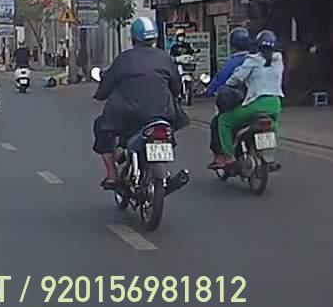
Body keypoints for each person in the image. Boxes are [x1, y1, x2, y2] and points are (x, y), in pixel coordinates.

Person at [93, 16, 183, 189]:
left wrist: (100, 94)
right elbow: (176, 87)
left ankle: (112, 175)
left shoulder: (124, 59)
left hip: (129, 116)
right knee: (169, 129)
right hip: (162, 114)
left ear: (133, 37)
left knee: (101, 127)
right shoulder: (165, 58)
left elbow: (106, 86)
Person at [214, 29, 284, 170]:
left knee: (224, 121)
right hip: (275, 104)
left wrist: (228, 85)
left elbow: (237, 78)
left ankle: (228, 156)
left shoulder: (253, 60)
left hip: (255, 104)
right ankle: (270, 156)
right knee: (274, 126)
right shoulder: (278, 60)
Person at [204, 28, 254, 159]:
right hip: (257, 102)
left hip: (238, 104)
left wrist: (209, 91)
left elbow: (219, 80)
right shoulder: (257, 60)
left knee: (218, 122)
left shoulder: (233, 62)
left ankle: (223, 155)